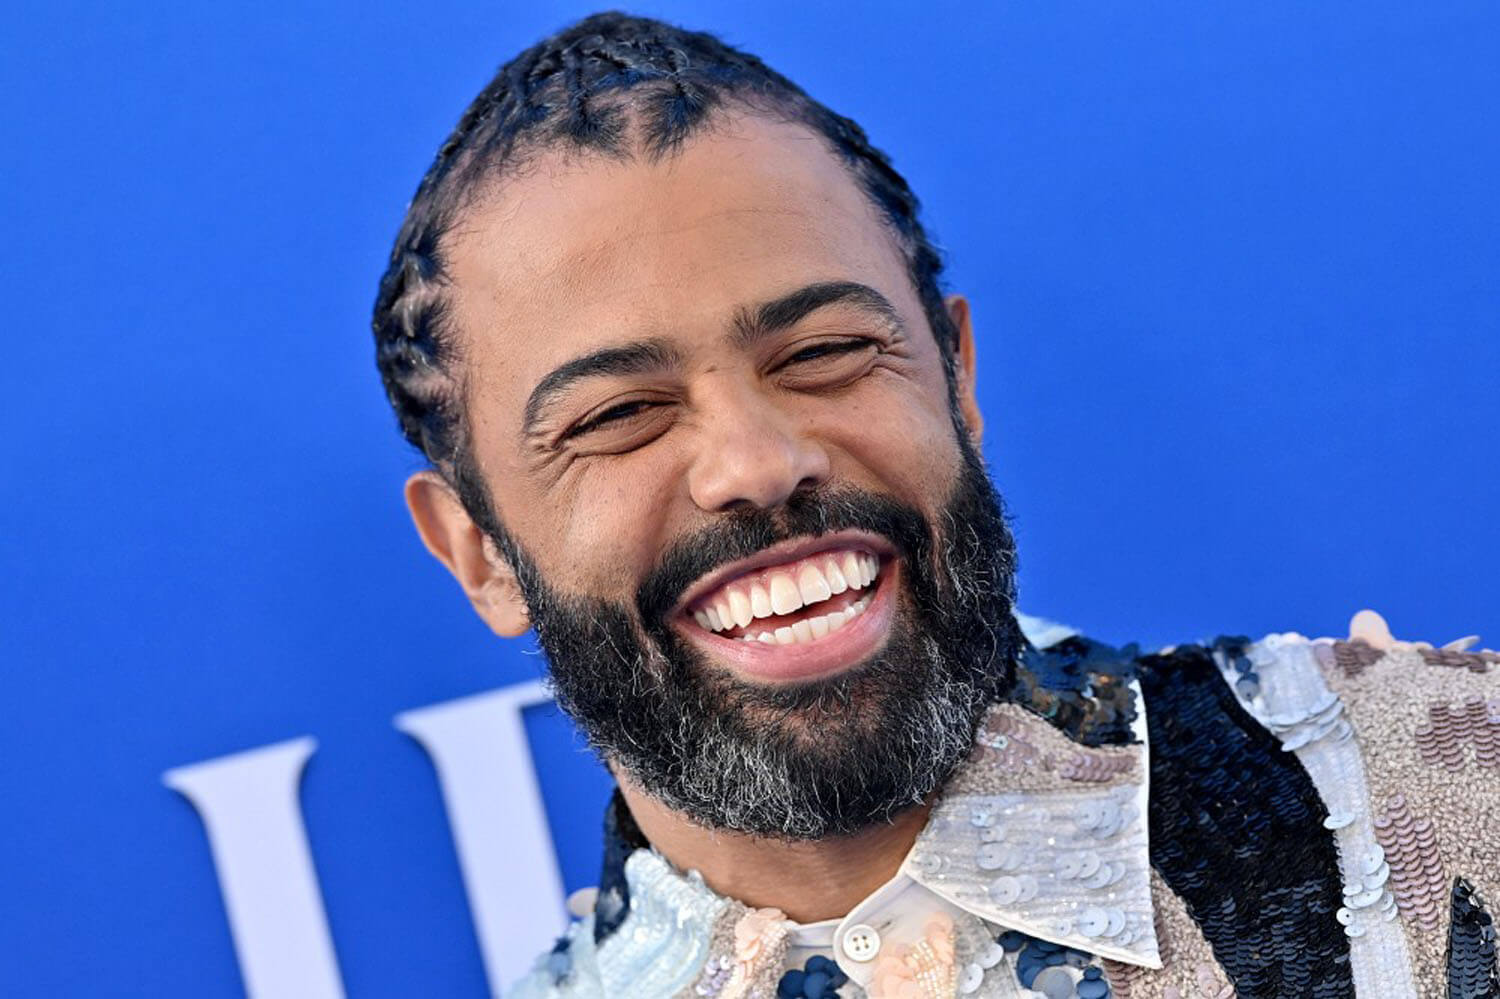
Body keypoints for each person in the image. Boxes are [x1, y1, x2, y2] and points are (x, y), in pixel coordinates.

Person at [371, 12, 1499, 998]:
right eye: (620, 415)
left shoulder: (1455, 791)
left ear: (956, 377)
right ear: (480, 554)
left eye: (823, 352)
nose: (757, 463)